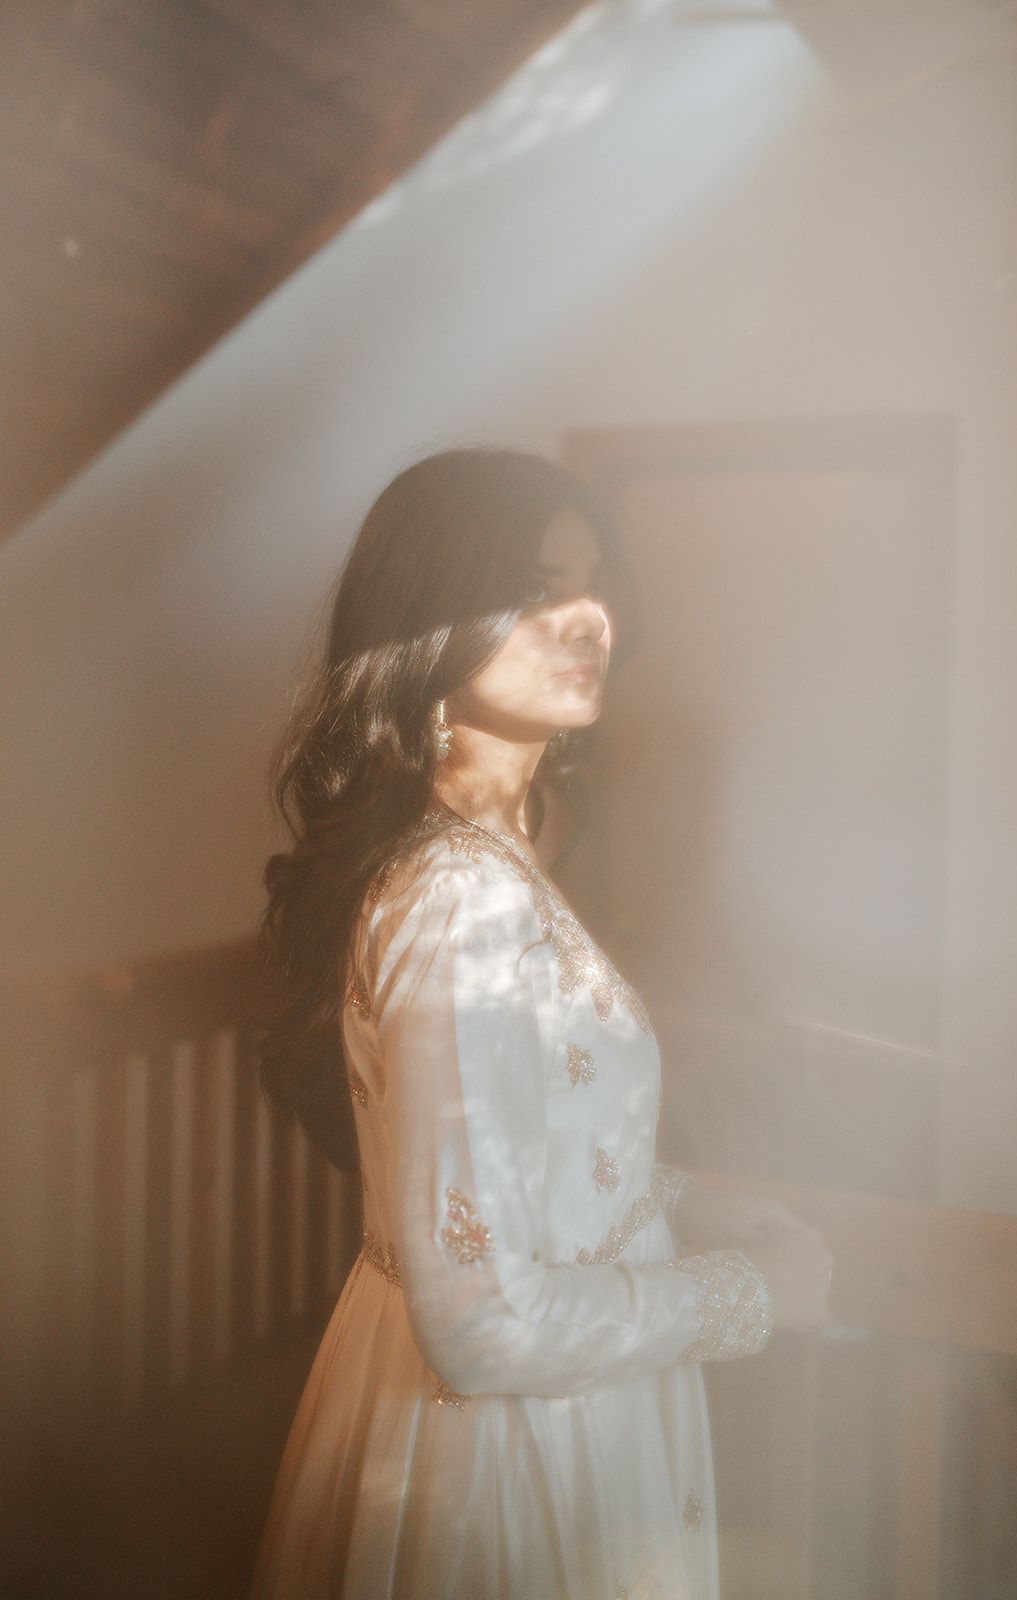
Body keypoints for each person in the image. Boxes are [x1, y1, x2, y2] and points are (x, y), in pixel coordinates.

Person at [248, 446, 833, 1600]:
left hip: (560, 1407)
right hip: (504, 1448)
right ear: (427, 620)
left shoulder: (497, 852)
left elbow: (527, 1154)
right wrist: (748, 1293)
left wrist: (686, 1202)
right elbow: (481, 1324)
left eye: (592, 581)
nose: (587, 617)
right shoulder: (454, 897)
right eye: (533, 587)